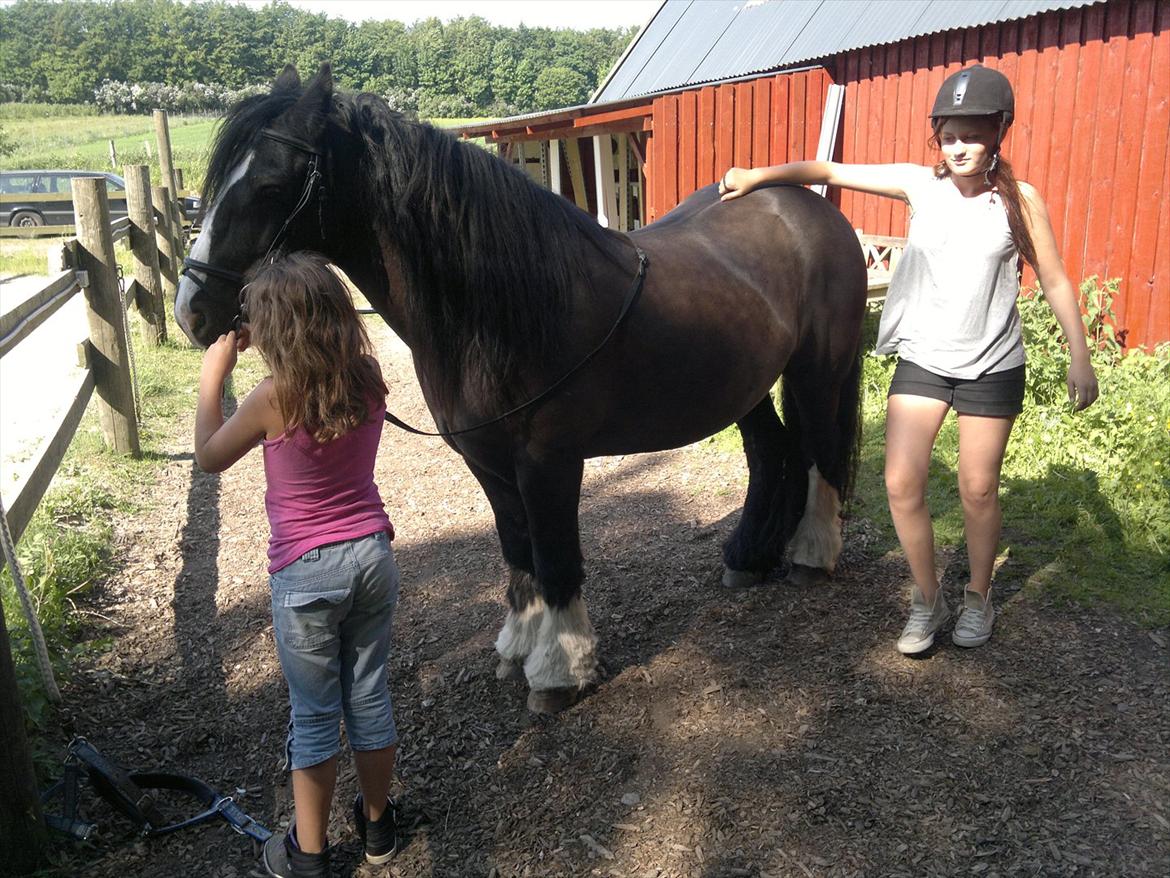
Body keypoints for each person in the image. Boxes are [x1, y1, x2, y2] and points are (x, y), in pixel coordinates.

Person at [719, 65, 1098, 655]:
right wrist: (755, 176)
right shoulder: (919, 185)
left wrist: (1080, 357)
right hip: (923, 356)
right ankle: (927, 599)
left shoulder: (1019, 202)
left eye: (973, 134)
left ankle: (977, 596)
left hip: (993, 363)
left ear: (998, 132)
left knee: (977, 489)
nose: (960, 147)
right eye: (949, 135)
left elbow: (1053, 279)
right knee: (900, 483)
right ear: (937, 138)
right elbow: (827, 170)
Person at [194, 251, 401, 877]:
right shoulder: (366, 376)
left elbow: (209, 456)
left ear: (271, 331)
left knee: (314, 714)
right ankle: (377, 826)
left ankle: (307, 856)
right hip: (371, 555)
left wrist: (213, 377)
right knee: (368, 696)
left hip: (306, 575)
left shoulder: (269, 398)